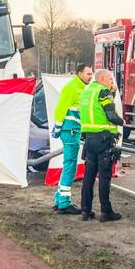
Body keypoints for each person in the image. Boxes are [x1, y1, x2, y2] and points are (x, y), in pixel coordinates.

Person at [79, 69, 124, 222]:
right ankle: (106, 211)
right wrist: (123, 122)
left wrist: (112, 93)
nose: (112, 82)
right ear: (103, 79)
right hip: (104, 139)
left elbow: (96, 109)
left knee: (89, 177)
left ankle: (86, 210)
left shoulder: (87, 91)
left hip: (90, 139)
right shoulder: (103, 92)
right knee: (105, 177)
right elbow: (110, 114)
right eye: (111, 79)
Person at [51, 63, 93, 214]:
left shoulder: (80, 88)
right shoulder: (72, 88)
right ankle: (64, 203)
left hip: (72, 130)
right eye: (88, 74)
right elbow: (61, 108)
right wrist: (58, 126)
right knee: (70, 166)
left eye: (92, 74)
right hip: (70, 131)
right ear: (80, 74)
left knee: (69, 165)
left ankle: (59, 199)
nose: (91, 76)